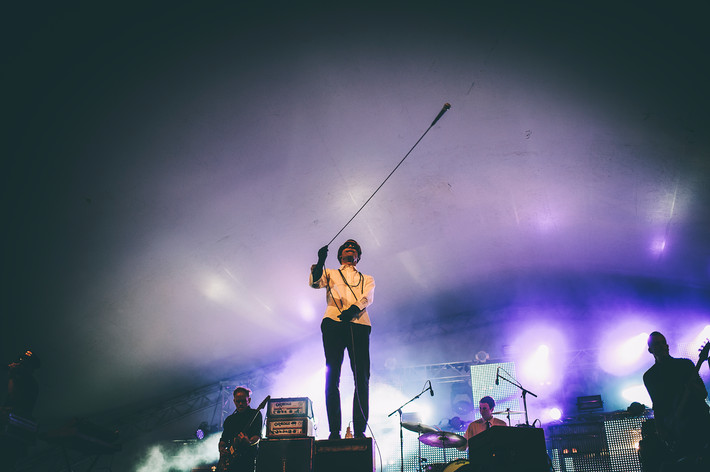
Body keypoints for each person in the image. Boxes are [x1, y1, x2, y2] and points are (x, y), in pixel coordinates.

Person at [310, 239, 375, 440]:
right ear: (339, 255)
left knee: (362, 378)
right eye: (347, 247)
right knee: (332, 376)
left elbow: (368, 296)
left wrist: (354, 309)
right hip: (333, 322)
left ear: (358, 257)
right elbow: (314, 282)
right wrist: (320, 261)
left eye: (355, 248)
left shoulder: (367, 278)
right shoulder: (330, 273)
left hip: (359, 323)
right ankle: (334, 431)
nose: (351, 249)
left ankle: (359, 431)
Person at [643, 331, 710, 469]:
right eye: (657, 344)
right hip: (678, 428)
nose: (662, 346)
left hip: (699, 421)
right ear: (650, 350)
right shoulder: (650, 376)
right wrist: (660, 429)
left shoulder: (685, 365)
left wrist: (692, 388)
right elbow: (657, 405)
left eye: (663, 342)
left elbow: (703, 393)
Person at [218, 387, 262, 472]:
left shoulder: (255, 414)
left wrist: (249, 442)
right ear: (234, 401)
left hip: (248, 459)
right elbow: (223, 439)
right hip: (231, 462)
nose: (240, 404)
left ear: (249, 400)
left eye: (243, 401)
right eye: (238, 401)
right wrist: (222, 449)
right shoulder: (230, 419)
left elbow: (257, 436)